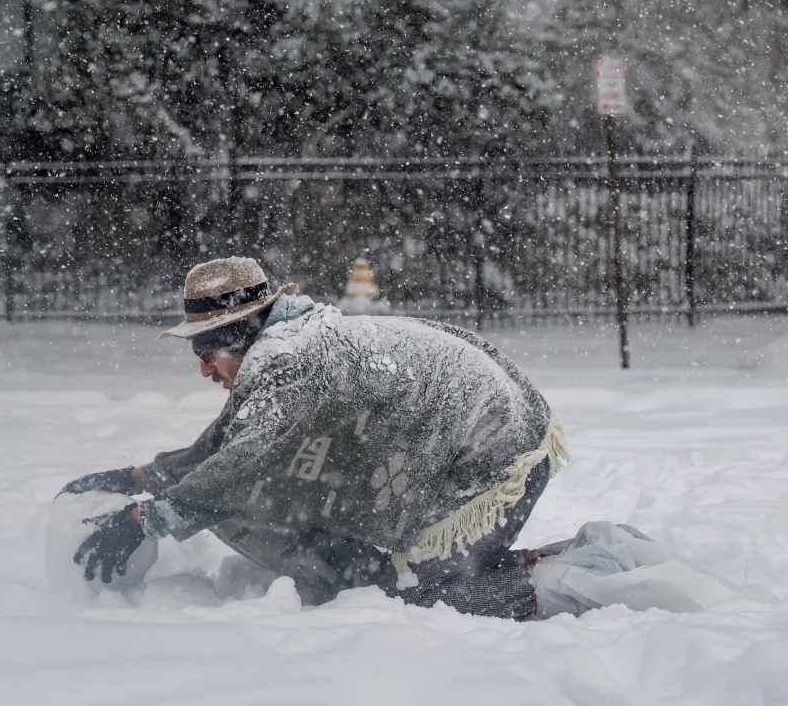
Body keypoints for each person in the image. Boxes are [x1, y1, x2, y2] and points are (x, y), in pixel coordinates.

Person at [63, 256, 569, 619]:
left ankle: (576, 580)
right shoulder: (284, 347)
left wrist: (148, 520)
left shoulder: (290, 362)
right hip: (488, 429)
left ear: (237, 337)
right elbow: (225, 445)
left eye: (206, 353)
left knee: (414, 596)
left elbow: (242, 467)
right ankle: (522, 569)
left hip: (499, 456)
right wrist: (142, 477)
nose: (203, 370)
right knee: (388, 568)